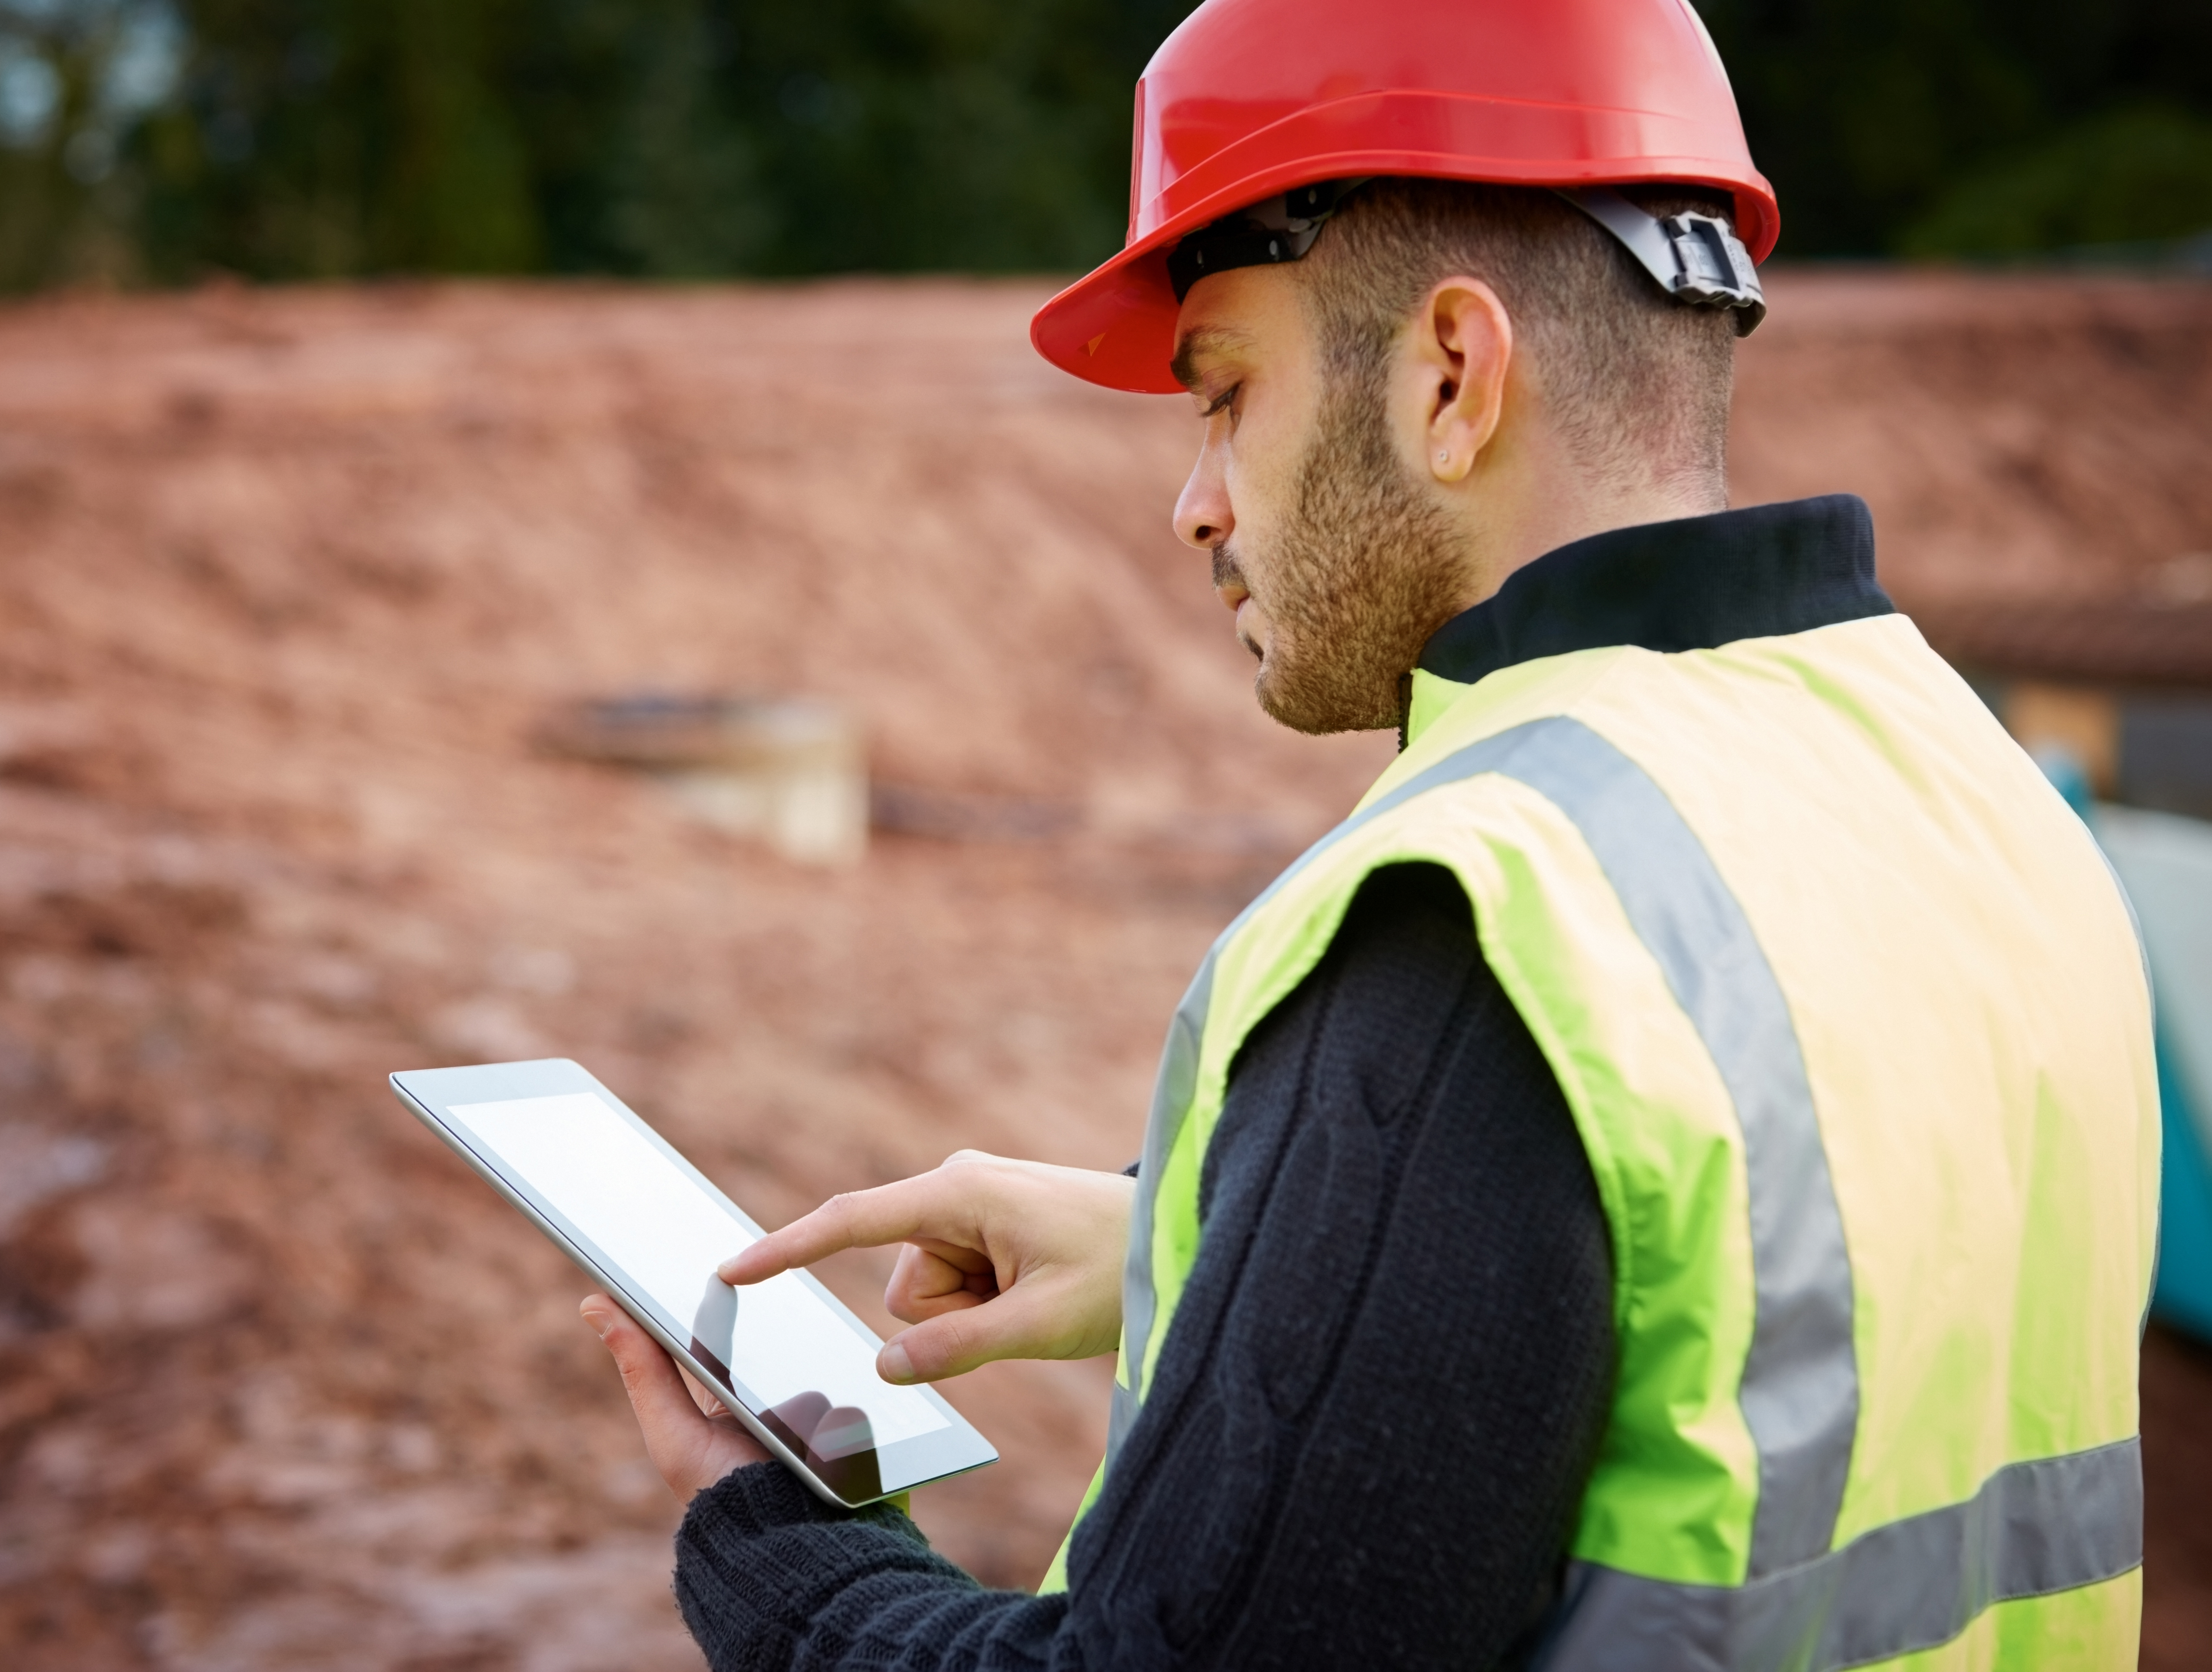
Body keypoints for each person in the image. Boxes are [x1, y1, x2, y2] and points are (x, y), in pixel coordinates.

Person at [579, 1, 2160, 1666]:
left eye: (1226, 392)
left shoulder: (1486, 922)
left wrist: (775, 1557)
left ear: (1454, 377)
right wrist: (1213, 1238)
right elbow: (1780, 1260)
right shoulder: (1965, 777)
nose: (1196, 500)